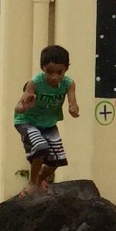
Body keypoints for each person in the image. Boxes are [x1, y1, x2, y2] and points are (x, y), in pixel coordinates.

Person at [14, 44, 81, 194]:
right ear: (42, 68)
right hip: (27, 121)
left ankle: (40, 179)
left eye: (59, 72)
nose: (54, 77)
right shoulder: (35, 82)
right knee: (41, 147)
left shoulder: (68, 84)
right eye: (49, 72)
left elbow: (73, 103)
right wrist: (24, 106)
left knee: (56, 159)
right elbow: (19, 105)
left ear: (66, 69)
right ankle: (32, 184)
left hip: (48, 123)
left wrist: (74, 109)